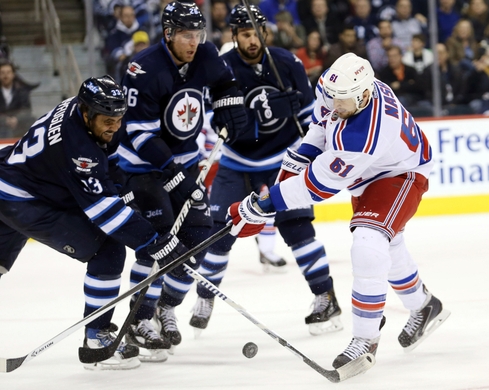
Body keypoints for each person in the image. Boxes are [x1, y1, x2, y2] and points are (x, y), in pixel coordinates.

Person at [227, 52, 451, 376]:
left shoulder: (367, 132)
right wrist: (292, 165)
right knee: (389, 246)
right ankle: (424, 305)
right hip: (371, 174)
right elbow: (321, 127)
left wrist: (265, 204)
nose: (335, 105)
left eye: (342, 100)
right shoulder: (339, 89)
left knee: (368, 243)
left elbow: (317, 186)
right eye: (332, 97)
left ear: (363, 94)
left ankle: (365, 338)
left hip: (402, 173)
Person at [0, 75, 193, 370]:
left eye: (118, 118)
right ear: (87, 112)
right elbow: (103, 213)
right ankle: (96, 337)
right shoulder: (79, 149)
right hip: (22, 197)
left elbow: (108, 166)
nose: (114, 126)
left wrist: (128, 205)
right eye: (107, 121)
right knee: (108, 249)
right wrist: (154, 242)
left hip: (15, 177)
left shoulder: (81, 111)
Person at [189, 4, 342, 337]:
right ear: (234, 36)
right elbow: (213, 119)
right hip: (236, 162)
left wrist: (311, 150)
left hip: (283, 162)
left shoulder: (287, 63)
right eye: (245, 34)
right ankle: (204, 298)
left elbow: (310, 118)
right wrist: (250, 118)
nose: (253, 40)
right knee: (220, 234)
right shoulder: (221, 69)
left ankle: (325, 297)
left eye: (258, 33)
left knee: (299, 230)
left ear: (266, 34)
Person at [117, 1, 247, 354]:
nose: (194, 42)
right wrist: (175, 175)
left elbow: (225, 83)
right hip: (142, 168)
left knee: (198, 236)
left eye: (198, 34)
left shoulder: (204, 54)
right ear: (169, 33)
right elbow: (141, 136)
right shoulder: (142, 68)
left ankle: (165, 307)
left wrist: (230, 108)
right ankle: (141, 316)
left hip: (186, 162)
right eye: (187, 35)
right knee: (158, 241)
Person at [0, 60, 35, 139]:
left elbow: (26, 109)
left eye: (8, 72)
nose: (6, 76)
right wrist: (4, 120)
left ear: (13, 75)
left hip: (19, 126)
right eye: (2, 73)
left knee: (32, 120)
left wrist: (16, 119)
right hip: (1, 126)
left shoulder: (22, 91)